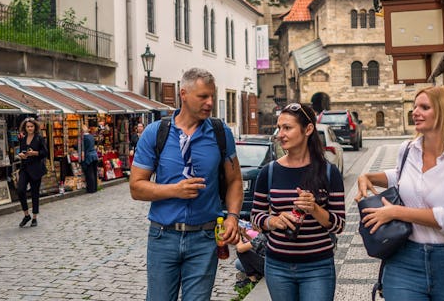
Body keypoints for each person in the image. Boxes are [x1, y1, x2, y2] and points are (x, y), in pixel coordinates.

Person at [356, 86, 444, 300]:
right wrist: (368, 176)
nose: (415, 112)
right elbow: (402, 176)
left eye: (424, 107)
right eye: (415, 106)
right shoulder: (408, 149)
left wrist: (396, 212)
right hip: (405, 259)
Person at [129, 67, 243, 301]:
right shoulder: (155, 133)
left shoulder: (221, 133)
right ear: (183, 94)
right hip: (163, 237)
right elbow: (136, 187)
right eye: (203, 96)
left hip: (204, 239)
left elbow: (234, 181)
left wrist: (232, 216)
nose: (210, 102)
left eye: (212, 95)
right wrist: (174, 190)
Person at [250, 102, 345, 301]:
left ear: (308, 129)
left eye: (287, 128)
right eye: (279, 128)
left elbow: (339, 225)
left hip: (317, 267)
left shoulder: (329, 172)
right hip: (277, 266)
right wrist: (273, 221)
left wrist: (314, 209)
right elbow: (255, 216)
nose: (280, 134)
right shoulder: (269, 172)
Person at [15, 117, 48, 227]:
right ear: (25, 127)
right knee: (20, 190)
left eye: (31, 126)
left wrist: (34, 153)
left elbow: (45, 152)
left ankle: (34, 217)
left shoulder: (39, 138)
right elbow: (21, 150)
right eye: (28, 126)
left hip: (36, 169)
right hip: (24, 168)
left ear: (35, 127)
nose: (30, 128)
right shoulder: (23, 138)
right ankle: (26, 215)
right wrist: (20, 155)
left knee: (34, 193)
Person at [79, 124, 100, 193]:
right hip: (94, 156)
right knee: (94, 172)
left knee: (89, 173)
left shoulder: (83, 138)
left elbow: (83, 149)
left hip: (89, 157)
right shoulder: (91, 136)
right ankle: (95, 188)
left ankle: (91, 189)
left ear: (82, 131)